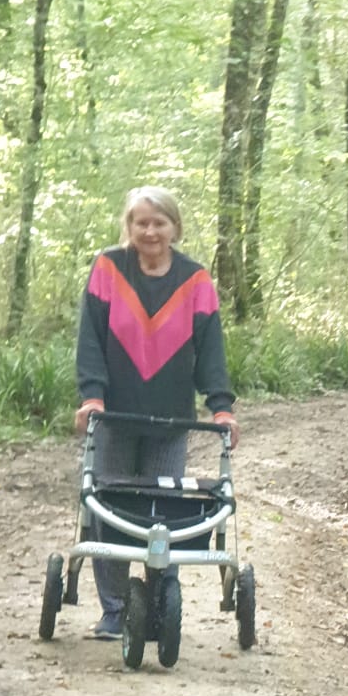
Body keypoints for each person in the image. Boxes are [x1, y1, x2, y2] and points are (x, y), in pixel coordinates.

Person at [74, 187, 238, 637]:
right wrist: (91, 396)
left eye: (159, 222)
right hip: (113, 416)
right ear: (128, 227)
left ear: (175, 227)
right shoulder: (108, 269)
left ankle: (161, 605)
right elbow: (90, 340)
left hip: (170, 420)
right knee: (108, 507)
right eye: (141, 222)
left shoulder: (195, 280)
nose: (150, 231)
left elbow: (211, 351)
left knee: (162, 513)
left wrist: (221, 408)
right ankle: (114, 609)